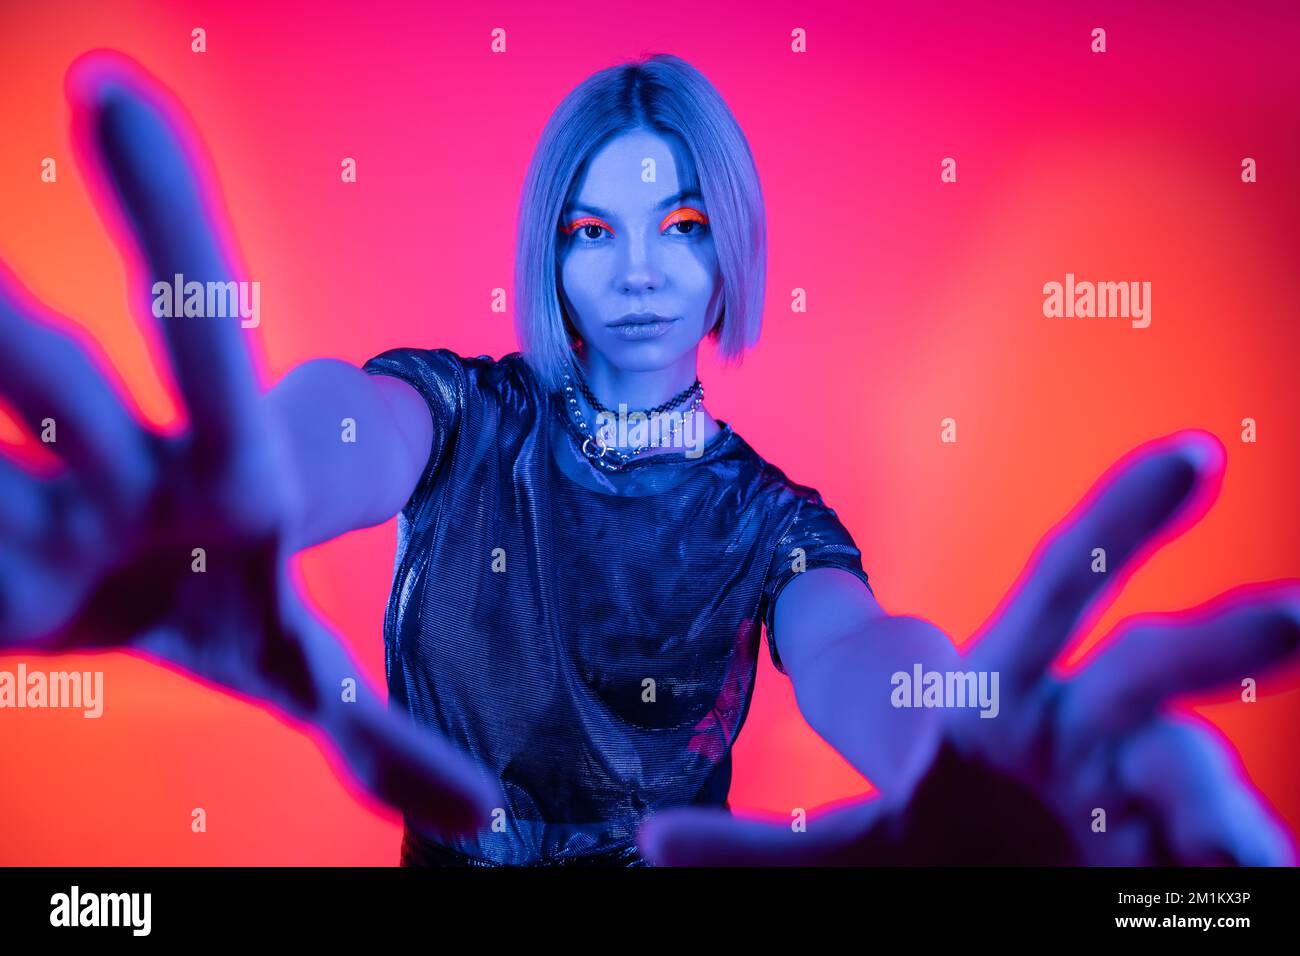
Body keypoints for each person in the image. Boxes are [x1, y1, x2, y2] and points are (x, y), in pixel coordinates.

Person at [0, 49, 1296, 867]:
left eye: (677, 223)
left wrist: (946, 733)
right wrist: (253, 485)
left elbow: (861, 651)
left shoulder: (772, 524)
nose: (635, 275)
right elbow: (344, 427)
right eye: (590, 229)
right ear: (548, 255)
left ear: (728, 244)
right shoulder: (459, 417)